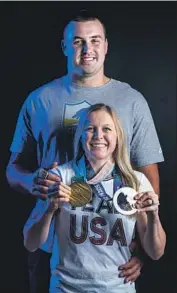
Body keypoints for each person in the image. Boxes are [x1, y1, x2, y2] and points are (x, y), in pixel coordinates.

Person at [6, 9, 164, 293]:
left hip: (109, 244)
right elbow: (13, 169)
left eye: (95, 40)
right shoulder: (39, 100)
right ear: (65, 47)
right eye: (78, 41)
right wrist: (37, 185)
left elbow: (148, 177)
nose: (87, 49)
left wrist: (141, 243)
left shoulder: (132, 101)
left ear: (105, 46)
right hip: (50, 240)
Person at [23, 103, 166, 293]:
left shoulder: (135, 182)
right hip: (66, 289)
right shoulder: (60, 177)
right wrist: (49, 209)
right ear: (81, 136)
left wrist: (153, 215)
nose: (98, 135)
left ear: (117, 136)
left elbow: (156, 253)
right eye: (90, 129)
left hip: (117, 288)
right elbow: (31, 244)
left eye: (106, 129)